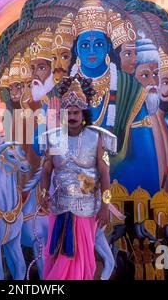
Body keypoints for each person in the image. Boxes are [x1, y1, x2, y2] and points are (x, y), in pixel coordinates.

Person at [40, 78, 117, 280]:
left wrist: (105, 206)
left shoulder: (96, 138)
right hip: (59, 207)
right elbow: (47, 170)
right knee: (56, 255)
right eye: (68, 113)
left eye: (76, 113)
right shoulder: (55, 138)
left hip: (87, 208)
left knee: (81, 260)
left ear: (84, 114)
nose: (72, 117)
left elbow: (105, 173)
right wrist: (42, 194)